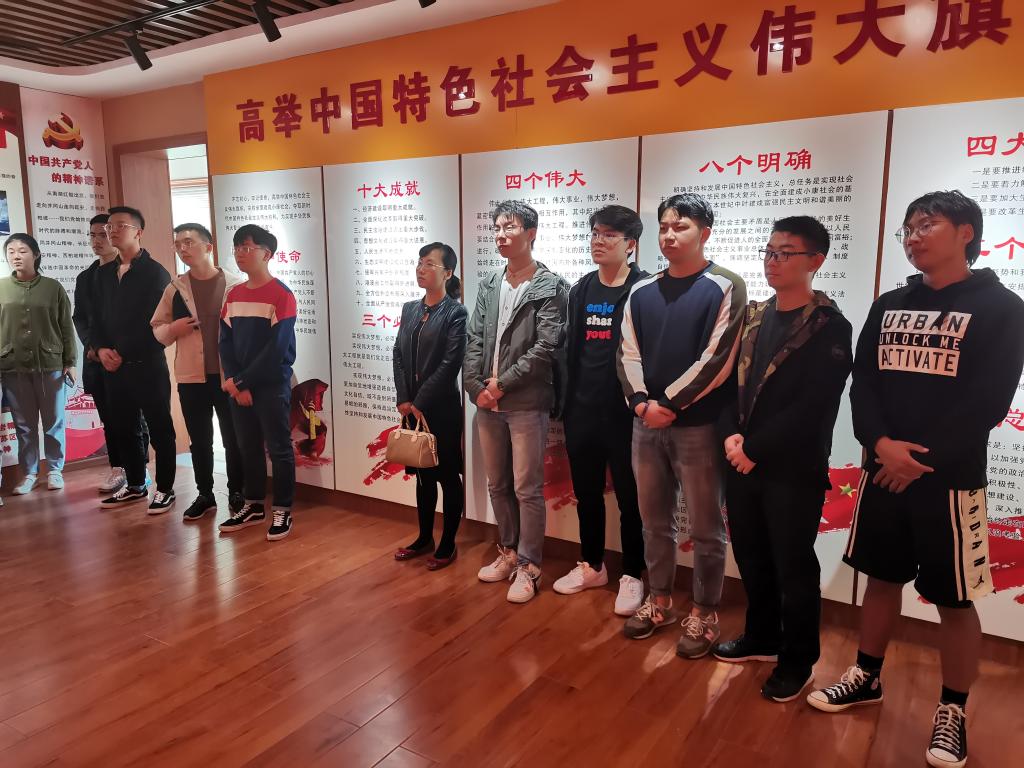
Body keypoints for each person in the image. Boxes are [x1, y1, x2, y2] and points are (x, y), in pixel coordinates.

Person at [807, 191, 1024, 768]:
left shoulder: (1002, 308)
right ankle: (866, 675)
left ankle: (953, 709)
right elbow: (865, 384)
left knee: (955, 599)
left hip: (950, 480)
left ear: (966, 232)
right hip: (884, 470)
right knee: (881, 579)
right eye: (908, 227)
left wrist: (917, 460)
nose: (914, 235)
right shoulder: (890, 304)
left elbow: (988, 402)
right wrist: (881, 446)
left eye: (928, 224)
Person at [713, 216, 852, 703]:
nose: (773, 261)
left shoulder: (829, 326)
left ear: (815, 260)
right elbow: (730, 385)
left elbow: (813, 405)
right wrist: (732, 437)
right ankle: (762, 637)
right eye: (770, 251)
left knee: (793, 566)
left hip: (792, 467)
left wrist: (753, 448)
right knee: (751, 555)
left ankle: (798, 659)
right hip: (741, 460)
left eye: (785, 253)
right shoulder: (754, 316)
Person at [617, 193, 746, 658]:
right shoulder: (642, 290)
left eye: (682, 226)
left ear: (704, 233)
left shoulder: (725, 285)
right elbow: (627, 352)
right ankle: (660, 601)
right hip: (645, 423)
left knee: (707, 526)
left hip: (699, 426)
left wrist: (668, 403)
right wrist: (641, 405)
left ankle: (705, 611)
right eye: (665, 227)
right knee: (654, 521)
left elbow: (718, 358)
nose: (670, 235)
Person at [464, 200, 569, 604]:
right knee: (497, 483)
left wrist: (501, 385)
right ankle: (508, 551)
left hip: (525, 401)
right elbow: (474, 338)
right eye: (497, 228)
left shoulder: (550, 285)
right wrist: (476, 388)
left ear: (531, 233)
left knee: (527, 488)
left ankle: (529, 565)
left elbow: (547, 346)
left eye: (510, 227)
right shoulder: (491, 282)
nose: (501, 235)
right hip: (486, 402)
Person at [553, 205, 648, 616]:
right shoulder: (581, 289)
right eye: (595, 232)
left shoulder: (645, 289)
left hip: (626, 414)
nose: (598, 241)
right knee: (587, 494)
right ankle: (592, 564)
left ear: (630, 244)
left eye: (609, 235)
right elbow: (570, 350)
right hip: (582, 409)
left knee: (631, 499)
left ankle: (633, 574)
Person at [152, 223, 245, 522]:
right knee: (200, 441)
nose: (183, 249)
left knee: (233, 438)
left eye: (189, 242)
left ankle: (237, 491)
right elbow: (157, 329)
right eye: (178, 244)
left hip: (228, 376)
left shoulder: (234, 285)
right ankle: (205, 494)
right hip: (191, 377)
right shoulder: (175, 288)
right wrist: (173, 329)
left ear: (208, 246)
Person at [93, 206, 177, 513]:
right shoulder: (103, 274)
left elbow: (157, 322)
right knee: (123, 427)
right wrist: (101, 349)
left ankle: (165, 488)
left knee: (160, 428)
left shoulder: (155, 273)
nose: (112, 231)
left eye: (120, 226)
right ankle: (136, 484)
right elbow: (96, 319)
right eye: (109, 227)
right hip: (113, 366)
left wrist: (123, 352)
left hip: (147, 364)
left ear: (138, 232)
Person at [217, 224, 297, 542]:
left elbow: (276, 350)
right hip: (241, 386)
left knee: (279, 448)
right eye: (237, 247)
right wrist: (237, 382)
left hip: (272, 385)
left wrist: (241, 380)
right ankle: (253, 505)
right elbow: (225, 342)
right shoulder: (234, 294)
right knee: (247, 446)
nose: (240, 253)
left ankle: (283, 509)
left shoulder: (282, 294)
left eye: (247, 248)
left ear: (267, 254)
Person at [392, 242, 467, 570]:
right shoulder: (410, 308)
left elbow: (451, 363)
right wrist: (404, 398)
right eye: (419, 263)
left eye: (429, 264)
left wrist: (420, 401)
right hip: (412, 408)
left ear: (447, 273)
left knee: (447, 476)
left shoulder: (456, 312)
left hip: (442, 409)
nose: (421, 269)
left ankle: (448, 543)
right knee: (422, 475)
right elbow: (398, 353)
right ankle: (424, 537)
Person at [74, 213, 149, 495]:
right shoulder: (86, 278)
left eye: (103, 234)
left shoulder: (131, 272)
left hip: (127, 358)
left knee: (134, 418)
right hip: (96, 359)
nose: (97, 240)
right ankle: (118, 468)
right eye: (92, 235)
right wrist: (95, 348)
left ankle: (139, 470)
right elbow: (81, 318)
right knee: (108, 416)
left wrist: (119, 349)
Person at [0, 234, 76, 494]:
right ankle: (29, 473)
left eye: (22, 251)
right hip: (13, 365)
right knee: (24, 425)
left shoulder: (53, 288)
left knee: (54, 421)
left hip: (50, 364)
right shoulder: (1, 288)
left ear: (36, 255)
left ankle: (54, 470)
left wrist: (70, 361)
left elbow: (66, 326)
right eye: (11, 251)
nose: (16, 256)